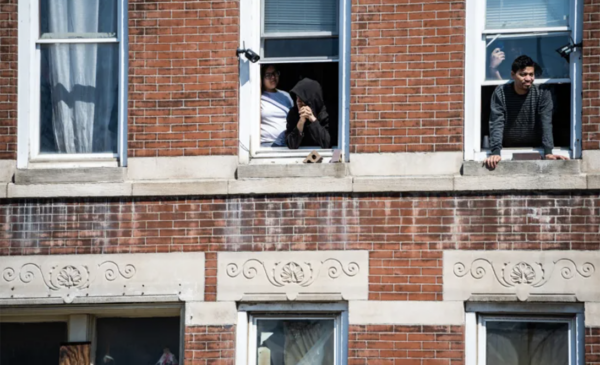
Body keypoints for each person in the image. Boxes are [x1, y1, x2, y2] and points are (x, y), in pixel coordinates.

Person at [485, 55, 569, 169]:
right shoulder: (501, 92)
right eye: (523, 74)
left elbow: (546, 122)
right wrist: (495, 152)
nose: (528, 78)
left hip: (536, 148)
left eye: (531, 74)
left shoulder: (542, 92)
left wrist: (548, 151)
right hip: (507, 148)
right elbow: (496, 122)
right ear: (513, 75)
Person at [286, 78, 331, 149]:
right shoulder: (293, 114)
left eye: (302, 99)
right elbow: (291, 145)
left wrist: (313, 120)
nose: (298, 102)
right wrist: (301, 122)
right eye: (297, 98)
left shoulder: (325, 114)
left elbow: (327, 143)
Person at [260, 65, 293, 147]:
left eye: (275, 73)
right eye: (268, 75)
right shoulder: (258, 97)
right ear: (261, 78)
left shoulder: (286, 96)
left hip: (286, 143)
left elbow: (293, 119)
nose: (273, 77)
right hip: (266, 144)